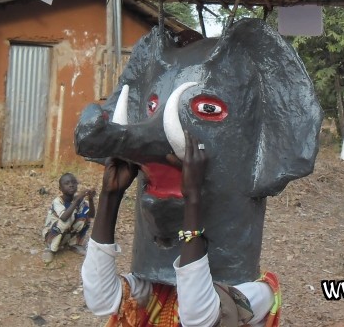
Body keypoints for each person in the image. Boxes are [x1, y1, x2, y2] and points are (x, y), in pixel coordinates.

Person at [81, 131, 279, 326]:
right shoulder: (159, 287)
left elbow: (199, 318)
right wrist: (110, 195)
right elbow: (101, 299)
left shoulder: (260, 292)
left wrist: (193, 198)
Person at [42, 172, 96, 263]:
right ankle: (50, 249)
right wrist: (77, 200)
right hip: (51, 233)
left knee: (85, 218)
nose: (71, 185)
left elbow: (91, 215)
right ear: (60, 188)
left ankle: (74, 244)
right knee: (66, 220)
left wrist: (90, 199)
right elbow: (64, 218)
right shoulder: (57, 201)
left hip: (65, 234)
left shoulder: (79, 199)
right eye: (66, 183)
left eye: (73, 183)